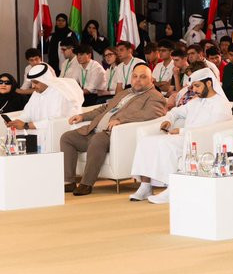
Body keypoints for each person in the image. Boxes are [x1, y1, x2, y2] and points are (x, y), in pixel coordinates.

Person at [129, 68, 233, 204]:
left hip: (200, 141)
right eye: (193, 86)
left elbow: (210, 130)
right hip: (184, 137)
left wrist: (181, 131)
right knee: (146, 141)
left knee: (166, 144)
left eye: (197, 86)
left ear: (209, 83)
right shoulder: (196, 101)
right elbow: (175, 112)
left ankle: (173, 189)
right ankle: (145, 186)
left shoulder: (221, 104)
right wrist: (169, 120)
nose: (194, 90)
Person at [61, 63, 168, 196]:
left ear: (151, 80)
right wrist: (83, 116)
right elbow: (105, 108)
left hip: (112, 135)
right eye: (135, 76)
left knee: (98, 139)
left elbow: (151, 114)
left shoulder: (155, 96)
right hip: (94, 130)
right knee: (67, 137)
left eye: (143, 77)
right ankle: (69, 181)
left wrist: (122, 120)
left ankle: (86, 183)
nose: (138, 80)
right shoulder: (124, 93)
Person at [0, 64, 85, 149]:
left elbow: (54, 120)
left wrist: (26, 125)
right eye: (32, 82)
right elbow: (27, 114)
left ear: (45, 80)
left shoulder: (59, 94)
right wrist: (16, 122)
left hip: (56, 132)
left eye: (36, 82)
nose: (33, 86)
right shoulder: (36, 93)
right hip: (37, 130)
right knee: (13, 134)